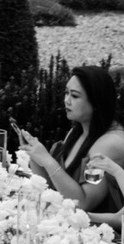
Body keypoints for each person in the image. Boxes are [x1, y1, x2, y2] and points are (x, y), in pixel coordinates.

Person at [21, 66, 124, 221]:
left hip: (98, 235)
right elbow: (54, 189)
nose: (66, 100)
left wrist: (48, 161)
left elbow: (82, 203)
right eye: (66, 92)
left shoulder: (108, 144)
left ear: (96, 102)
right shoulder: (78, 131)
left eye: (75, 96)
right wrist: (35, 155)